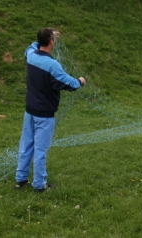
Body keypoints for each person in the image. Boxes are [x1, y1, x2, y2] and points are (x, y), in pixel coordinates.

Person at [15, 28, 86, 192]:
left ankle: (20, 179)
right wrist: (80, 81)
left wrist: (46, 35)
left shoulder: (31, 55)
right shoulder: (52, 64)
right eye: (53, 38)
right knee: (40, 150)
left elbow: (30, 47)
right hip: (44, 114)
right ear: (52, 42)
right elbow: (67, 82)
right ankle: (39, 185)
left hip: (30, 110)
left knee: (26, 145)